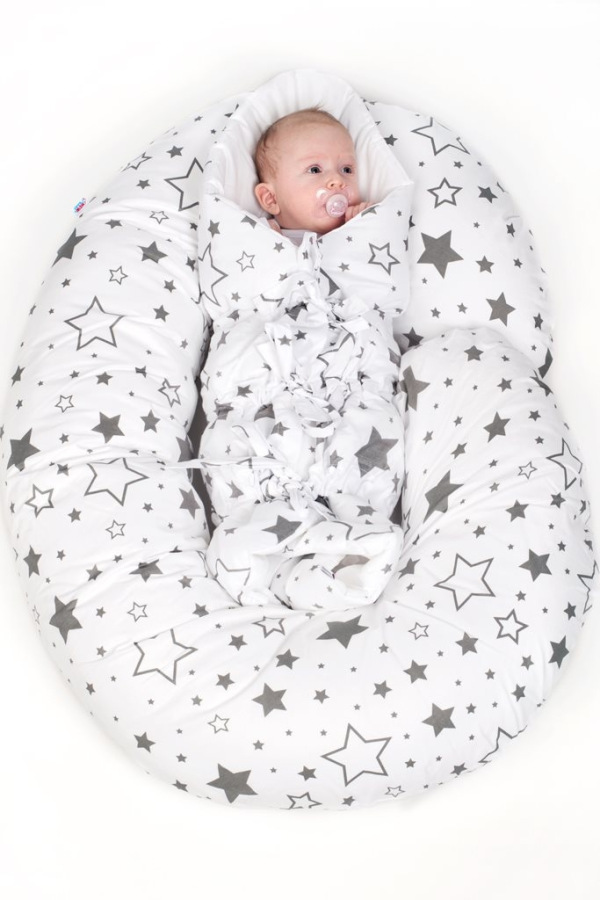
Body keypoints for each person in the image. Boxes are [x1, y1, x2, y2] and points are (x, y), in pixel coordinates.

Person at [253, 108, 372, 241]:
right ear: (271, 198)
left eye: (346, 170)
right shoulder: (263, 235)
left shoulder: (364, 226)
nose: (337, 179)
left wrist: (370, 224)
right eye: (315, 170)